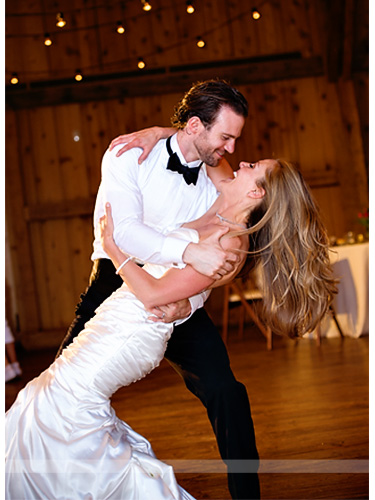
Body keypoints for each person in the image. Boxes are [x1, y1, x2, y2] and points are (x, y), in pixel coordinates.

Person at [6, 159, 337, 499]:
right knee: (46, 402)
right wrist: (158, 133)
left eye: (251, 165)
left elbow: (157, 293)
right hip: (121, 313)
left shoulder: (229, 238)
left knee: (60, 408)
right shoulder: (223, 202)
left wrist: (114, 249)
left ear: (256, 191)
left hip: (135, 328)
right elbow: (206, 143)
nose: (239, 160)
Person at [53, 79, 270, 499]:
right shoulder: (129, 155)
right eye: (225, 136)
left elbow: (222, 258)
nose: (231, 148)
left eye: (234, 138)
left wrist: (187, 300)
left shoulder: (220, 177)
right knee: (59, 388)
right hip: (116, 280)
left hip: (182, 291)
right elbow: (127, 235)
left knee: (226, 391)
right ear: (194, 126)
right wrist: (191, 253)